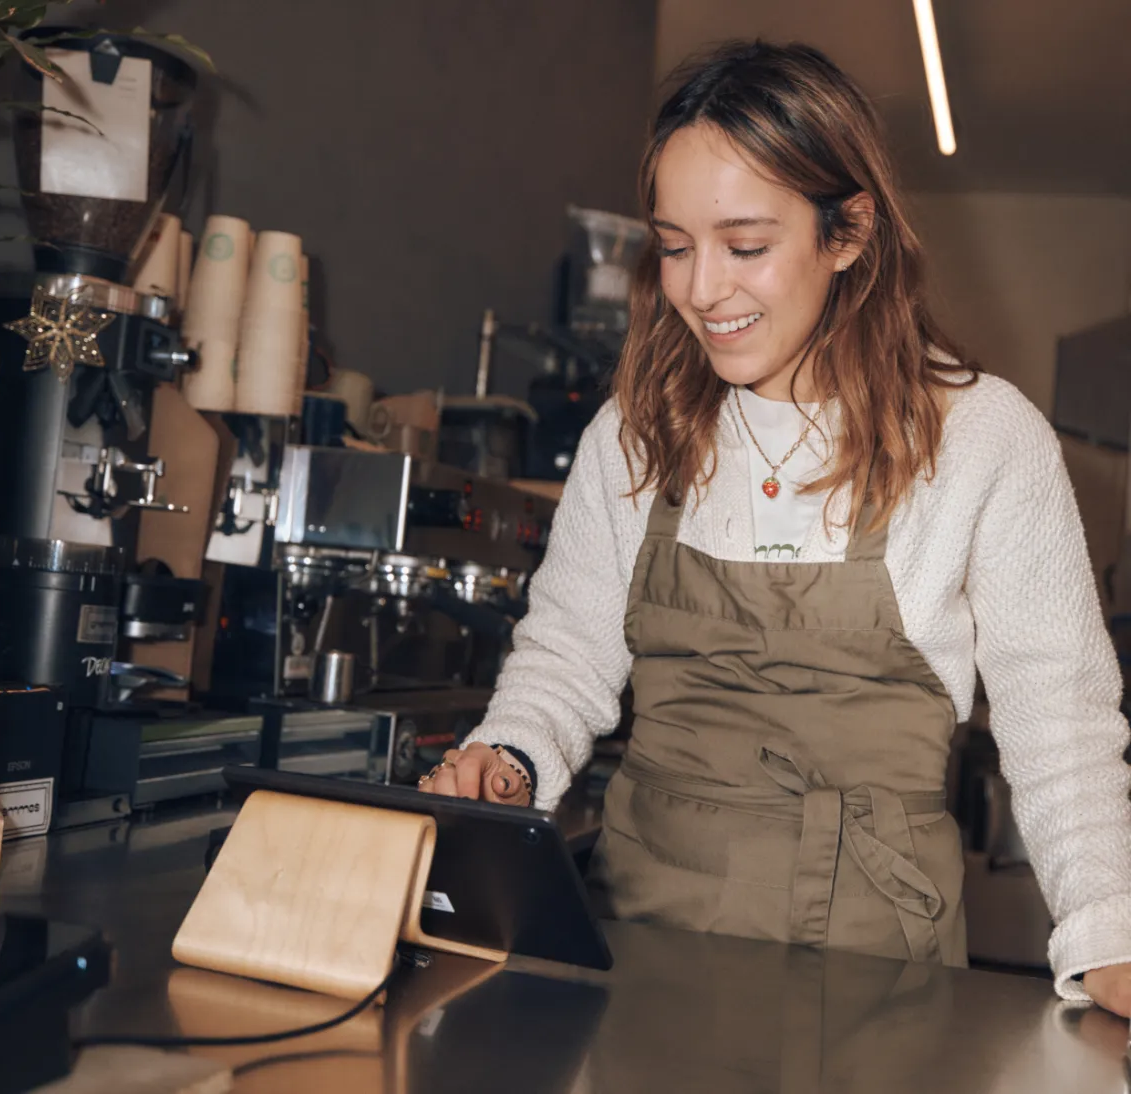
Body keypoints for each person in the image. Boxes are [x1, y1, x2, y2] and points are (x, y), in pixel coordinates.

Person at [417, 40, 1131, 1016]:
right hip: (643, 948)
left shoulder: (981, 436)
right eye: (674, 245)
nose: (702, 289)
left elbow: (1062, 722)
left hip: (880, 976)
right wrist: (510, 764)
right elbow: (566, 653)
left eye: (744, 245)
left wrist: (1108, 931)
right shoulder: (636, 430)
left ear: (848, 234)